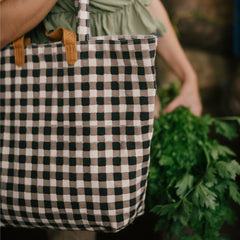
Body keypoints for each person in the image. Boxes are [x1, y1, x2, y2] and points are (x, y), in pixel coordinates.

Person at [0, 0, 202, 239]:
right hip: (69, 101)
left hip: (128, 96)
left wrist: (187, 75)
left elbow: (140, 3)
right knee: (75, 217)